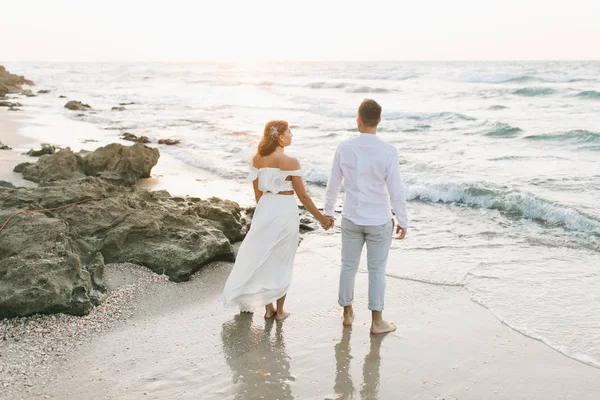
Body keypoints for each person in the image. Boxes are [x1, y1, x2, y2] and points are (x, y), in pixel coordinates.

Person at [221, 120, 334, 321]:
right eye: (289, 131)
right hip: (284, 209)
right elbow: (303, 197)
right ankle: (280, 311)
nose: (292, 135)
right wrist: (321, 218)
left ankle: (268, 308)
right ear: (280, 137)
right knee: (282, 259)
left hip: (265, 208)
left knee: (265, 256)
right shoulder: (291, 162)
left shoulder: (257, 159)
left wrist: (266, 210)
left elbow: (257, 194)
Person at [324, 99, 408, 334]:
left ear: (358, 119)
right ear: (379, 121)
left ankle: (347, 313)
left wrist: (328, 213)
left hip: (351, 216)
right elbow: (396, 190)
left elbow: (333, 184)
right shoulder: (388, 151)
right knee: (377, 270)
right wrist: (403, 220)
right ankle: (377, 322)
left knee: (348, 266)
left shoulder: (344, 148)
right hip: (379, 220)